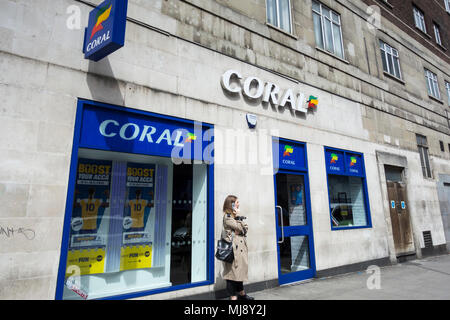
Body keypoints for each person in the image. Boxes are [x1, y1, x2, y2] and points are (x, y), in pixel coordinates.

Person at [221, 195, 254, 300]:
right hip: (233, 250)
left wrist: (240, 224)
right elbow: (240, 227)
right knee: (231, 275)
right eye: (237, 202)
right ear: (232, 204)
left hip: (240, 248)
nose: (239, 204)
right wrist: (239, 222)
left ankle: (242, 294)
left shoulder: (234, 217)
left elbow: (245, 229)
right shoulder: (228, 217)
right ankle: (233, 297)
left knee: (239, 273)